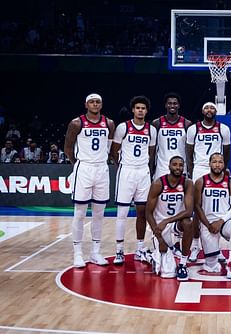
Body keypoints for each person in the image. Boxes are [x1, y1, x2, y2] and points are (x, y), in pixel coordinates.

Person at [64, 93, 115, 268]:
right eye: (92, 102)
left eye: (98, 102)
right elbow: (68, 148)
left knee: (99, 213)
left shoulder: (109, 123)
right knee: (79, 213)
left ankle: (96, 252)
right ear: (86, 104)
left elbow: (109, 147)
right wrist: (77, 164)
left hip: (101, 168)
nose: (95, 104)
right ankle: (78, 253)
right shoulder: (76, 123)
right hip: (83, 167)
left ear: (101, 105)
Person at [110, 96, 157, 264]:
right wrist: (122, 164)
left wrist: (144, 168)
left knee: (142, 212)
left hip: (143, 172)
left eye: (143, 108)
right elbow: (114, 150)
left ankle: (139, 248)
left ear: (146, 111)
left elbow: (151, 153)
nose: (140, 110)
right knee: (122, 213)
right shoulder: (123, 127)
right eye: (137, 108)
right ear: (133, 110)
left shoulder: (151, 130)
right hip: (127, 171)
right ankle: (119, 250)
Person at [186, 102, 231, 262]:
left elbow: (226, 152)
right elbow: (189, 153)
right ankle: (195, 245)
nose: (209, 110)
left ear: (216, 111)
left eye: (212, 108)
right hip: (199, 168)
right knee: (197, 210)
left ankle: (214, 248)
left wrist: (222, 167)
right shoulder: (193, 129)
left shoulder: (223, 129)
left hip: (216, 167)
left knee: (215, 209)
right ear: (202, 110)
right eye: (206, 108)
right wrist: (191, 173)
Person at [194, 153, 231, 279]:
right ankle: (214, 255)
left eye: (220, 162)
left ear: (224, 164)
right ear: (209, 164)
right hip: (207, 223)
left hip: (224, 221)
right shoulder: (200, 182)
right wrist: (207, 225)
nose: (217, 164)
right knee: (212, 267)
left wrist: (221, 221)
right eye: (214, 162)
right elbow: (197, 206)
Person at [145, 156, 194, 280]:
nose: (178, 167)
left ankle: (182, 264)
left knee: (188, 223)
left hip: (175, 224)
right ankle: (149, 256)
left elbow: (189, 211)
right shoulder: (158, 184)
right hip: (159, 227)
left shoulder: (187, 183)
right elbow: (148, 213)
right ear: (169, 166)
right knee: (167, 274)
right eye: (175, 164)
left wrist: (167, 221)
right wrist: (160, 240)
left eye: (180, 165)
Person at [152, 92, 192, 179]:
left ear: (179, 105)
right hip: (162, 166)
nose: (172, 106)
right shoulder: (157, 123)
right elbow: (153, 147)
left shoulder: (186, 124)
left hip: (181, 166)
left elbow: (190, 148)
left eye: (175, 103)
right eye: (169, 103)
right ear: (165, 105)